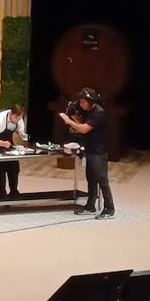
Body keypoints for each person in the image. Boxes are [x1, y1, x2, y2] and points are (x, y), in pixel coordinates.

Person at [59, 87, 114, 219]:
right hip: (89, 149)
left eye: (83, 102)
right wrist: (73, 116)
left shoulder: (98, 112)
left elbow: (84, 129)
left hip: (98, 151)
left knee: (102, 179)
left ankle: (109, 208)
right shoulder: (88, 111)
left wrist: (68, 121)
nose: (81, 104)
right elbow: (82, 125)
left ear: (90, 101)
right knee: (91, 178)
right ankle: (91, 205)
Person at [0, 105, 26, 200]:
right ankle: (1, 194)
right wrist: (3, 143)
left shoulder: (18, 117)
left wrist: (22, 134)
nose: (18, 120)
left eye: (20, 118)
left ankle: (14, 191)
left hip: (9, 143)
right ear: (11, 114)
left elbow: (20, 130)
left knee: (13, 168)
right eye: (17, 118)